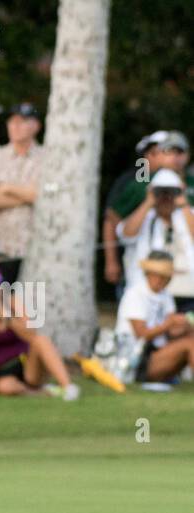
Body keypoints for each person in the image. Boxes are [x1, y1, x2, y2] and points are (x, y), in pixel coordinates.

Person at [0, 265, 78, 398]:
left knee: (42, 341)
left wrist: (6, 318)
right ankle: (40, 392)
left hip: (25, 364)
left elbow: (32, 336)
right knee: (4, 387)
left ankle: (68, 387)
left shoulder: (12, 303)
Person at [104, 131, 191, 295]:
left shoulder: (190, 182)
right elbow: (113, 218)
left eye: (178, 152)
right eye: (166, 151)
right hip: (143, 268)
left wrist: (182, 204)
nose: (173, 157)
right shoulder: (139, 182)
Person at [117, 167, 194, 308]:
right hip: (150, 292)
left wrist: (183, 201)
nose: (166, 197)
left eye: (171, 192)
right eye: (161, 192)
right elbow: (125, 234)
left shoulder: (187, 214)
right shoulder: (145, 216)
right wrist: (148, 201)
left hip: (188, 291)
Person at [0, 103, 42, 281]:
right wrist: (28, 195)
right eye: (12, 121)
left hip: (34, 245)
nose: (15, 126)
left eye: (22, 121)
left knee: (30, 306)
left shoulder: (47, 157)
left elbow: (41, 196)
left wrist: (7, 188)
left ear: (36, 126)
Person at [114, 251, 194, 385]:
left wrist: (184, 325)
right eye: (159, 276)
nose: (163, 280)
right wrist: (169, 323)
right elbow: (142, 334)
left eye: (167, 277)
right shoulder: (135, 294)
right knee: (189, 344)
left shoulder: (166, 296)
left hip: (156, 352)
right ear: (148, 273)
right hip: (136, 359)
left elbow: (171, 332)